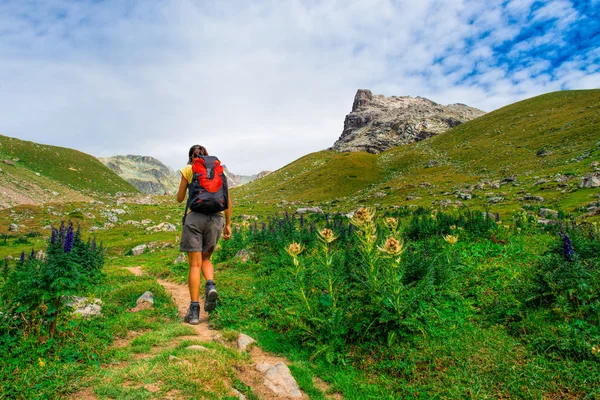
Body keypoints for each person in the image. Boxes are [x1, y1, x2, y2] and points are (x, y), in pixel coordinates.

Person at [176, 144, 232, 325]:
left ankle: (194, 312)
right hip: (216, 220)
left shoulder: (188, 169)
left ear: (191, 157)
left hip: (195, 219)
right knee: (206, 259)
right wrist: (228, 224)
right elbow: (227, 200)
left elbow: (179, 198)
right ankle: (210, 285)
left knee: (194, 264)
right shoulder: (219, 170)